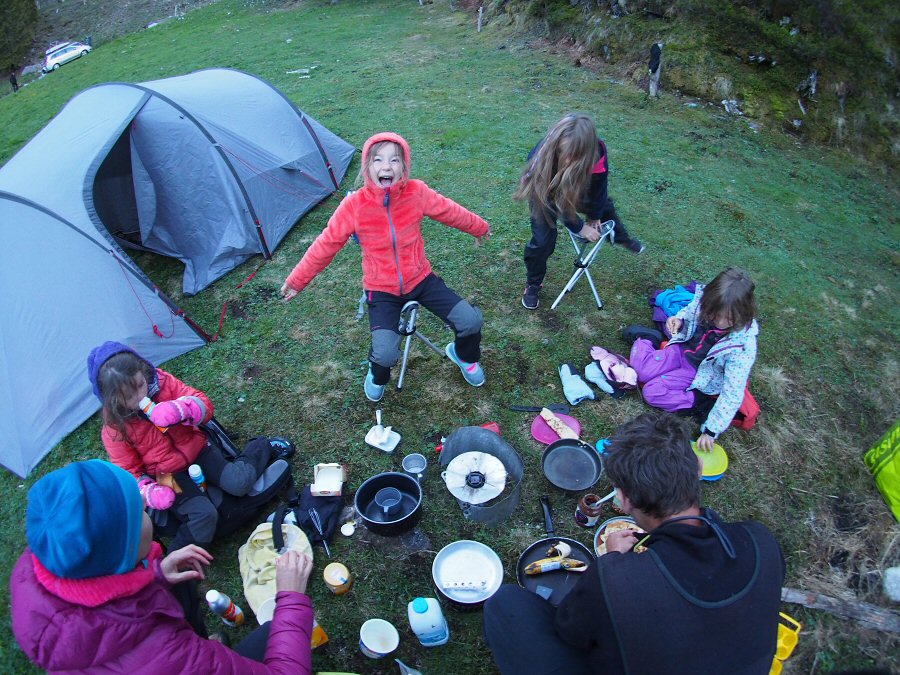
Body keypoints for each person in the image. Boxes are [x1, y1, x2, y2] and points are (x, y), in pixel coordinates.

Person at [483, 412, 784, 675]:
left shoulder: (617, 578)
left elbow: (570, 632)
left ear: (623, 500)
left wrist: (611, 566)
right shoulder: (761, 540)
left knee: (507, 605)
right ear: (699, 470)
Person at [11, 459, 315, 673]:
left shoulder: (42, 567)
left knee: (179, 581)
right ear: (126, 549)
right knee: (278, 630)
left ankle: (206, 643)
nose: (147, 514)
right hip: (175, 661)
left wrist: (155, 576)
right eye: (140, 512)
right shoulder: (168, 656)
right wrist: (290, 597)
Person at [280, 131, 491, 402]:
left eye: (394, 160)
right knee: (385, 354)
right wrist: (297, 280)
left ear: (404, 166)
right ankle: (376, 375)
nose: (386, 167)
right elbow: (326, 244)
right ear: (367, 167)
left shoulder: (417, 192)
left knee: (470, 320)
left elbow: (450, 211)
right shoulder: (353, 206)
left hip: (421, 280)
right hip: (381, 290)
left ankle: (464, 356)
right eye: (378, 160)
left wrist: (479, 227)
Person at [87, 341, 296, 549]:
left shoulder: (161, 383)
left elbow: (203, 404)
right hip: (167, 475)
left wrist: (180, 409)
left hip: (198, 449)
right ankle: (178, 562)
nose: (141, 397)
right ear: (114, 400)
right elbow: (128, 471)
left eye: (141, 385)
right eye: (129, 397)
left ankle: (262, 446)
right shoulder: (115, 427)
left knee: (238, 483)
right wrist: (149, 491)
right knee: (203, 514)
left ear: (143, 371)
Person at [515, 113, 644, 310]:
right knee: (542, 241)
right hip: (542, 192)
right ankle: (533, 284)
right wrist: (579, 226)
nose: (565, 160)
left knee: (604, 206)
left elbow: (599, 187)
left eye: (572, 155)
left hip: (574, 183)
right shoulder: (544, 155)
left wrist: (594, 216)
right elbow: (553, 200)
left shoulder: (597, 153)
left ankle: (621, 237)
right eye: (562, 152)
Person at [628, 267, 759, 450]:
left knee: (652, 393)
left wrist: (712, 429)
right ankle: (651, 339)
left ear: (743, 314)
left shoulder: (743, 345)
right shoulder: (703, 300)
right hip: (681, 350)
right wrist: (679, 320)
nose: (720, 322)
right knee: (639, 372)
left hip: (699, 373)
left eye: (728, 319)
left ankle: (697, 400)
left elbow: (733, 392)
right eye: (715, 315)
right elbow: (688, 312)